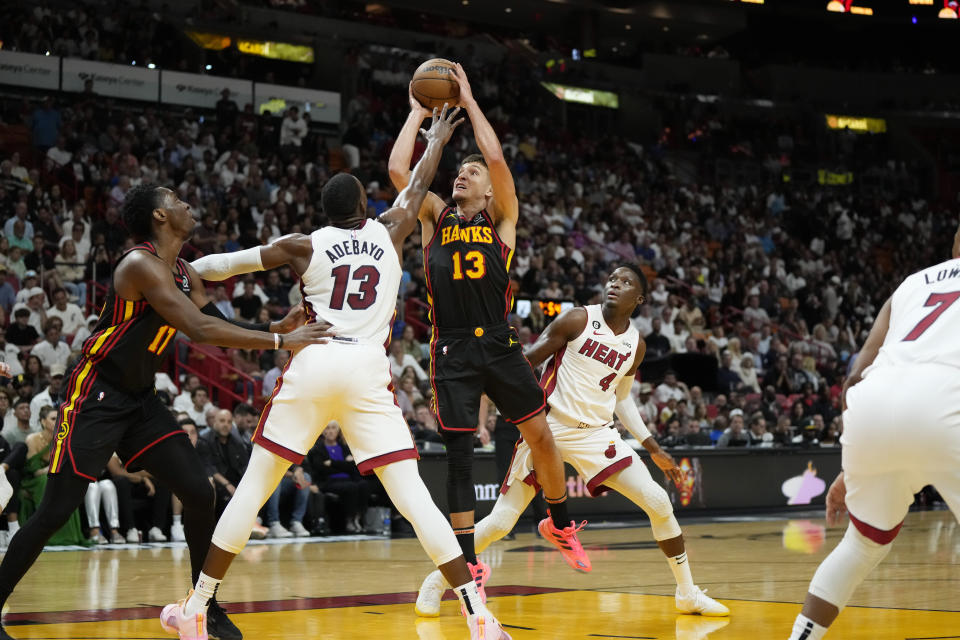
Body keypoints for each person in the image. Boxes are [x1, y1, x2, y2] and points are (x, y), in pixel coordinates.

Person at [163, 105, 511, 640]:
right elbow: (417, 184)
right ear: (365, 207)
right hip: (367, 371)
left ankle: (196, 605)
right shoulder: (391, 228)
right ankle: (477, 614)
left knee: (252, 490)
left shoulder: (305, 244)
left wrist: (177, 269)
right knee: (416, 500)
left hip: (315, 360)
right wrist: (437, 137)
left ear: (325, 212)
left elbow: (228, 264)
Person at [0, 184, 332, 640]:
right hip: (96, 394)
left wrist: (270, 326)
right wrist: (279, 342)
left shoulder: (181, 270)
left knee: (199, 491)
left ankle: (205, 607)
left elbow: (216, 319)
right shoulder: (139, 265)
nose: (188, 204)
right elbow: (197, 328)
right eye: (177, 200)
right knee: (55, 511)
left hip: (140, 399)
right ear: (159, 216)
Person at [415, 265, 728, 618]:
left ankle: (687, 593)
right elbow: (523, 362)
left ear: (638, 299)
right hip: (548, 429)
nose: (614, 284)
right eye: (612, 278)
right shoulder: (577, 320)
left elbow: (621, 398)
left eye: (625, 283)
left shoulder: (635, 344)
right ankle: (437, 580)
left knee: (657, 500)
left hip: (596, 434)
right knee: (502, 522)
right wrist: (470, 390)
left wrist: (652, 446)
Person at [388, 65, 587, 595]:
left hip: (499, 340)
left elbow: (496, 158)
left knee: (540, 434)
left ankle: (559, 521)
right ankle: (470, 562)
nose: (463, 175)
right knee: (459, 455)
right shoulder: (433, 216)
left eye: (471, 174)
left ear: (486, 190)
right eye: (460, 172)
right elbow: (398, 171)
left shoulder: (502, 220)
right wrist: (416, 113)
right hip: (449, 344)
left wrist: (470, 100)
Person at [786, 228, 960, 640]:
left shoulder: (911, 285)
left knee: (862, 545)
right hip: (950, 398)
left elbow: (854, 380)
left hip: (874, 406)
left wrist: (856, 466)